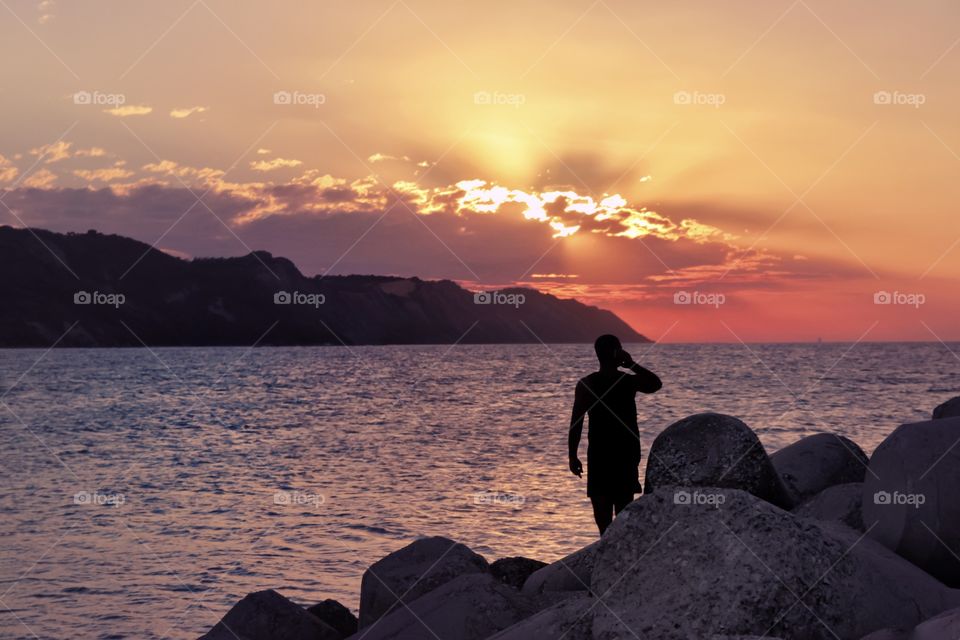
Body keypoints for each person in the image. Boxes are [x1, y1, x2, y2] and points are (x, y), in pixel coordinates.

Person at [568, 334, 662, 535]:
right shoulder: (627, 382)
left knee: (606, 524)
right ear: (616, 353)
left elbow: (576, 422)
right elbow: (654, 383)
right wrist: (632, 364)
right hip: (622, 457)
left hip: (605, 457)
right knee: (622, 521)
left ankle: (607, 554)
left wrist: (572, 455)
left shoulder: (588, 384)